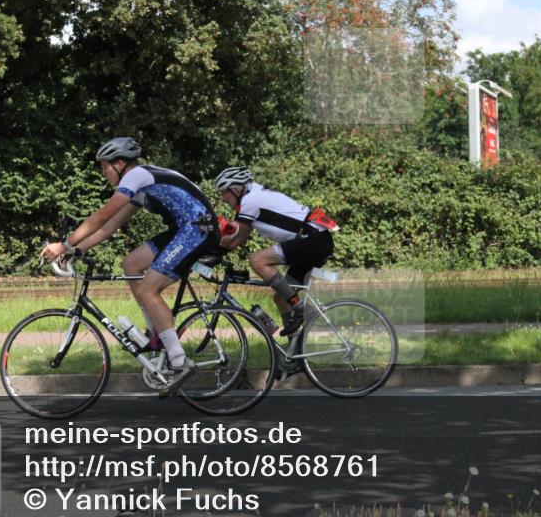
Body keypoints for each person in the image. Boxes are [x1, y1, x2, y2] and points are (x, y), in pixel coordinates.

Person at [41, 137, 218, 391]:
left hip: (196, 229)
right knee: (131, 264)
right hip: (183, 229)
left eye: (105, 166)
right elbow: (109, 227)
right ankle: (155, 333)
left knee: (148, 289)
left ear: (120, 163)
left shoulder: (136, 176)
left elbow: (102, 216)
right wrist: (74, 251)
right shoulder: (141, 185)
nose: (103, 173)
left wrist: (64, 243)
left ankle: (180, 361)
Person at [214, 166, 336, 338]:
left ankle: (300, 307)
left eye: (223, 193)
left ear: (235, 189)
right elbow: (237, 239)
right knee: (281, 299)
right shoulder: (254, 195)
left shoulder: (250, 201)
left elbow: (233, 238)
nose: (223, 199)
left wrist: (211, 242)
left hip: (312, 240)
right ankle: (295, 351)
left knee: (257, 260)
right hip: (316, 239)